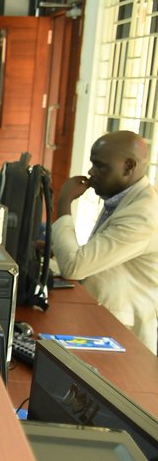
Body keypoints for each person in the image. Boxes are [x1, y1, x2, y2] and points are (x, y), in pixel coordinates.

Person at [51, 130, 158, 354]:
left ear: (129, 166)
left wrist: (63, 203)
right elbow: (99, 257)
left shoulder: (142, 214)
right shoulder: (123, 199)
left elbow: (75, 267)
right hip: (103, 316)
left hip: (124, 332)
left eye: (100, 166)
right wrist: (54, 249)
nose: (91, 172)